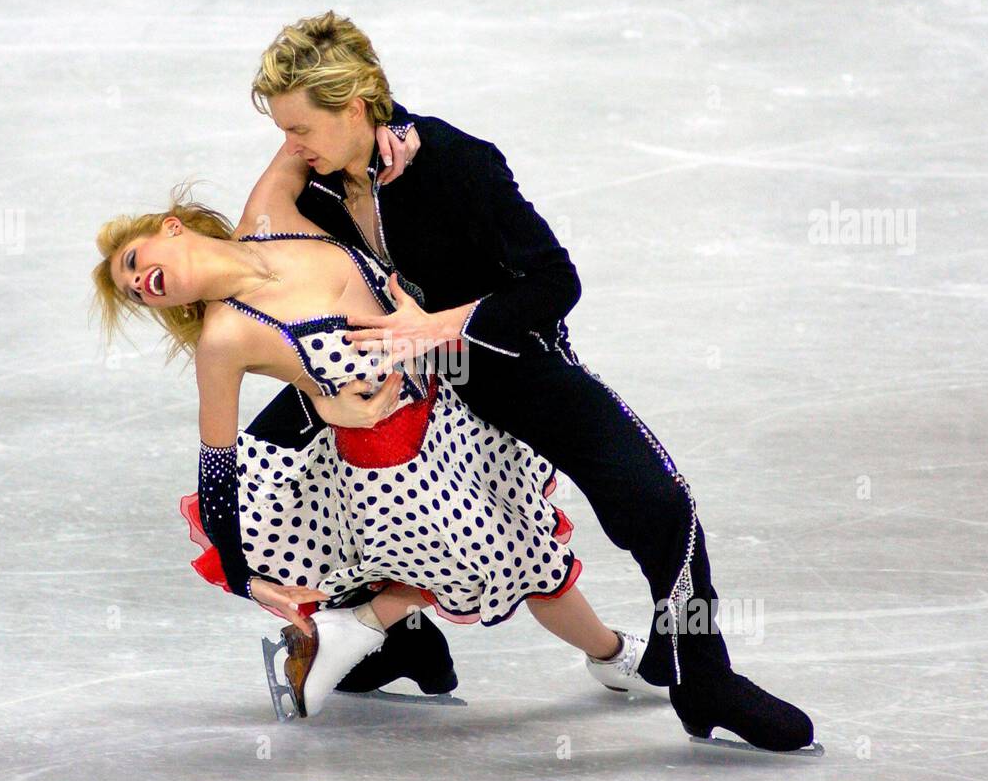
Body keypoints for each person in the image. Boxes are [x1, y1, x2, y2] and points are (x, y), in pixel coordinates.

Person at [226, 11, 818, 752]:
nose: (290, 146)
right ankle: (398, 638)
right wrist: (295, 159)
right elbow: (254, 230)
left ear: (354, 106)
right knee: (270, 472)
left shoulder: (455, 163)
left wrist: (440, 325)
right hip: (398, 380)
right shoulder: (312, 186)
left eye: (299, 127)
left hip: (506, 366)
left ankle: (705, 677)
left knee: (658, 500)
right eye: (281, 131)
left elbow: (555, 281)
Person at [91, 163, 664, 720]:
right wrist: (246, 579)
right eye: (135, 292)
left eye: (135, 263)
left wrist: (401, 132)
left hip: (452, 408)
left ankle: (391, 635)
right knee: (516, 560)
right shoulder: (223, 339)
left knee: (524, 554)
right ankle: (612, 655)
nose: (142, 283)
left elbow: (318, 108)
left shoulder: (270, 209)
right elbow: (216, 465)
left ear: (170, 226)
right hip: (391, 470)